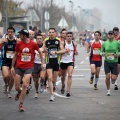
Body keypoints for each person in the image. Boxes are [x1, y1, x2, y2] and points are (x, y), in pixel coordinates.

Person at [11, 29, 44, 111]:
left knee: (25, 85)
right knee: (17, 87)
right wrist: (12, 66)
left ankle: (21, 104)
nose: (19, 36)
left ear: (25, 36)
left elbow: (39, 52)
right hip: (19, 67)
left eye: (21, 35)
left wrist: (42, 62)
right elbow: (15, 54)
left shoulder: (33, 44)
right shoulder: (19, 44)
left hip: (29, 67)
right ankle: (19, 92)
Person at [42, 28, 69, 101]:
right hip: (49, 62)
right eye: (50, 32)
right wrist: (40, 50)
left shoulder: (58, 41)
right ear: (48, 33)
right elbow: (42, 48)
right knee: (50, 78)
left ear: (55, 33)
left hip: (56, 62)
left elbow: (63, 50)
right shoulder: (46, 40)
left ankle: (53, 86)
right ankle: (52, 95)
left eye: (52, 32)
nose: (51, 33)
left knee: (54, 80)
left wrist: (56, 52)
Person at [100, 30, 120, 96]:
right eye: (109, 34)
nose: (110, 35)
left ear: (113, 35)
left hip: (114, 62)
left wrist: (118, 54)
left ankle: (113, 80)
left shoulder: (117, 43)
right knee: (107, 76)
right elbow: (101, 51)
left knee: (113, 78)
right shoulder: (105, 43)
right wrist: (102, 54)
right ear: (108, 35)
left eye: (111, 34)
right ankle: (108, 90)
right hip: (107, 62)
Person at [0, 27, 16, 98]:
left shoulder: (16, 41)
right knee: (6, 76)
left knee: (12, 78)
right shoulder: (4, 40)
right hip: (5, 61)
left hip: (13, 62)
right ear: (7, 32)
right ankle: (6, 84)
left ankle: (9, 91)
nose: (10, 33)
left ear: (13, 33)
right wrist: (1, 42)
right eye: (9, 32)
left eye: (11, 32)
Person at [60, 32, 78, 96]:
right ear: (66, 37)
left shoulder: (74, 43)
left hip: (70, 61)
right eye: (68, 36)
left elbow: (75, 51)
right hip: (63, 61)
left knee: (70, 75)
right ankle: (63, 85)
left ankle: (68, 91)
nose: (69, 37)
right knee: (63, 76)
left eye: (70, 36)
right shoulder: (63, 43)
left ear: (72, 37)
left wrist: (76, 52)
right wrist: (65, 50)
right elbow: (61, 50)